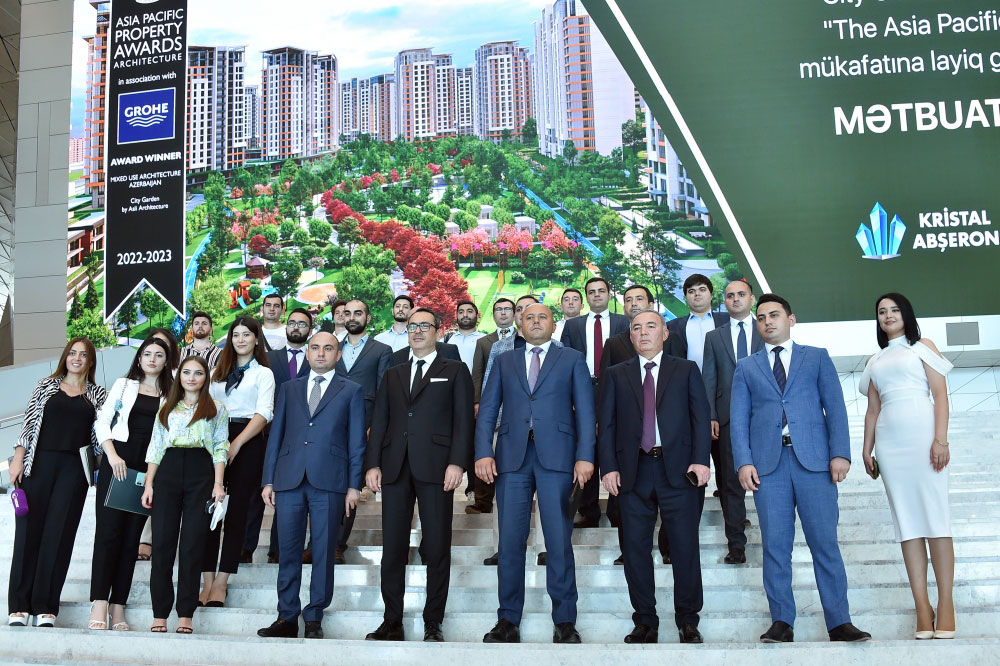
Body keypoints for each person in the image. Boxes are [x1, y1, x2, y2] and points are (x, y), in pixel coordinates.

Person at [731, 294, 870, 643]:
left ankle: (839, 622)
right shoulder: (746, 367)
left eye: (774, 315)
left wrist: (841, 454)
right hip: (768, 467)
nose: (767, 322)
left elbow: (835, 408)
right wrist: (744, 461)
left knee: (825, 543)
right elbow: (739, 419)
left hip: (815, 464)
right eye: (761, 317)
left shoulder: (816, 357)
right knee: (775, 547)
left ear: (790, 319)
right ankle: (782, 621)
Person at [475, 304, 595, 644]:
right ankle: (507, 620)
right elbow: (488, 410)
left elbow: (586, 412)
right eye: (529, 317)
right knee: (510, 542)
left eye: (543, 317)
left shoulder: (572, 359)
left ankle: (565, 621)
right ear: (520, 325)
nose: (536, 321)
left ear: (554, 325)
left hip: (558, 458)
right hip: (511, 459)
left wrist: (585, 457)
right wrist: (483, 451)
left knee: (558, 542)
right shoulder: (504, 360)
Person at [598, 309, 711, 644]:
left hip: (680, 472)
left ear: (665, 333)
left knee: (685, 547)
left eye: (651, 326)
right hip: (633, 472)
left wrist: (701, 461)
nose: (644, 332)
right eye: (637, 328)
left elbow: (700, 418)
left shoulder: (685, 369)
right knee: (634, 550)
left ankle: (688, 620)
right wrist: (609, 467)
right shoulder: (616, 374)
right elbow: (606, 425)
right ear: (630, 336)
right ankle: (645, 621)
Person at [364, 308, 475, 643]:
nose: (417, 331)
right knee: (393, 547)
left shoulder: (454, 369)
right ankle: (392, 621)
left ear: (437, 331)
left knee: (437, 546)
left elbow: (463, 421)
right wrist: (373, 464)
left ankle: (433, 621)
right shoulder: (393, 372)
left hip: (437, 467)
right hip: (395, 467)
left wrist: (458, 463)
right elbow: (380, 420)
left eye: (424, 326)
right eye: (412, 326)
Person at [257, 332, 366, 640]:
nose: (321, 353)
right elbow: (276, 435)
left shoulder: (352, 390)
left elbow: (357, 441)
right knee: (287, 550)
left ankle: (315, 616)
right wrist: (268, 479)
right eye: (315, 348)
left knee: (323, 551)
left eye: (328, 348)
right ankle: (286, 616)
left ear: (338, 355)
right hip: (289, 479)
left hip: (330, 481)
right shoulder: (289, 388)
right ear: (307, 353)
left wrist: (354, 485)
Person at [860, 293, 955, 639]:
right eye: (882, 311)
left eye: (894, 310)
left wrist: (940, 439)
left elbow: (940, 395)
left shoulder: (922, 346)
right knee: (907, 525)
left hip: (923, 435)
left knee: (936, 519)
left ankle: (946, 605)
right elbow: (873, 409)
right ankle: (922, 608)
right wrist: (867, 449)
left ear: (906, 314)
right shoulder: (874, 359)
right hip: (890, 444)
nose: (888, 315)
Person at [7, 338, 107, 628]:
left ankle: (45, 606)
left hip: (74, 471)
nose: (77, 358)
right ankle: (19, 606)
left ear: (90, 361)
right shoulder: (45, 386)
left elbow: (103, 433)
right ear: (65, 357)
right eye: (72, 353)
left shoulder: (98, 394)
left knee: (59, 536)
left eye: (83, 355)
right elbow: (28, 424)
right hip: (38, 465)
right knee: (27, 534)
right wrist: (18, 458)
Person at [89, 337, 172, 632]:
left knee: (130, 540)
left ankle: (118, 606)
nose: (152, 359)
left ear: (166, 361)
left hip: (147, 471)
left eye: (158, 355)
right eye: (147, 353)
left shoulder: (171, 393)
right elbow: (102, 422)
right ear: (139, 358)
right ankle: (99, 601)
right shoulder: (124, 385)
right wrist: (111, 456)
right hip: (118, 464)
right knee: (108, 534)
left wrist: (152, 475)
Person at [142, 356, 229, 634]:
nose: (191, 378)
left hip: (201, 472)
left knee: (192, 544)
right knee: (163, 543)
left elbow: (220, 447)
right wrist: (149, 484)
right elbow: (156, 446)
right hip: (167, 471)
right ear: (179, 376)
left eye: (198, 373)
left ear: (206, 378)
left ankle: (185, 614)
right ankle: (159, 613)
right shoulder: (166, 406)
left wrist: (218, 484)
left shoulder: (216, 408)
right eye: (186, 372)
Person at [202, 317, 275, 606]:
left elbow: (264, 413)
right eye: (236, 335)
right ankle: (207, 580)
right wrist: (218, 444)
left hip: (247, 440)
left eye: (247, 335)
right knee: (210, 510)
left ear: (257, 339)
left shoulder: (263, 374)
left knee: (236, 515)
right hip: (215, 437)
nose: (241, 340)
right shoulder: (217, 373)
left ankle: (222, 581)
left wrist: (236, 444)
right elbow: (205, 406)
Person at [597, 284, 671, 565]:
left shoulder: (671, 342)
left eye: (640, 298)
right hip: (629, 444)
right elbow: (606, 390)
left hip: (665, 440)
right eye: (628, 299)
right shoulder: (615, 343)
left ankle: (668, 548)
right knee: (625, 506)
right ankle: (627, 551)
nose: (634, 303)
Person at [243, 308, 314, 564]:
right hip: (267, 433)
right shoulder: (268, 358)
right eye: (292, 322)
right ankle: (245, 548)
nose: (296, 327)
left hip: (302, 437)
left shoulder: (317, 359)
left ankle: (279, 549)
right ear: (286, 326)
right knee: (255, 493)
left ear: (310, 330)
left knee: (289, 493)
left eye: (302, 324)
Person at [701, 279, 763, 565]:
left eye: (741, 294)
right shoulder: (715, 337)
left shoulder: (766, 328)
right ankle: (736, 545)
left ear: (752, 299)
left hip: (765, 417)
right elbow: (709, 379)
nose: (735, 299)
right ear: (723, 302)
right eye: (730, 296)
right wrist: (711, 415)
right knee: (730, 483)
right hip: (727, 419)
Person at [560, 277, 628, 528]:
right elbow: (565, 362)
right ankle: (588, 511)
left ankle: (618, 511)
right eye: (591, 292)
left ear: (609, 294)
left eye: (601, 291)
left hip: (617, 388)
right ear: (586, 297)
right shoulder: (573, 325)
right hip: (583, 388)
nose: (597, 295)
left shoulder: (623, 322)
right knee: (585, 447)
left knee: (616, 446)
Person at [333, 299, 391, 563]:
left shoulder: (381, 350)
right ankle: (317, 542)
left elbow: (383, 393)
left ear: (368, 318)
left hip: (363, 427)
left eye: (358, 313)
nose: (352, 317)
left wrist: (375, 428)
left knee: (351, 485)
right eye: (348, 313)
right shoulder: (331, 347)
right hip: (330, 426)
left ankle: (337, 545)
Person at [467, 298, 517, 516]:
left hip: (516, 406)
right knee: (486, 451)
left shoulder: (524, 338)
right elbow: (478, 374)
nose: (503, 313)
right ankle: (483, 501)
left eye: (507, 309)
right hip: (492, 405)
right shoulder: (484, 342)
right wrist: (477, 401)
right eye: (499, 309)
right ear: (493, 314)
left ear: (514, 313)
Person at [665, 274, 729, 370]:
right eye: (691, 291)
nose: (697, 294)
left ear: (711, 295)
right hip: (686, 378)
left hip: (723, 379)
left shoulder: (728, 321)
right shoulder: (671, 327)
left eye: (702, 289)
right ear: (686, 298)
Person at [445, 300, 485, 373]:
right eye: (461, 312)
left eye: (469, 311)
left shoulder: (485, 340)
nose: (465, 315)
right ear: (456, 316)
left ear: (477, 316)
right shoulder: (446, 340)